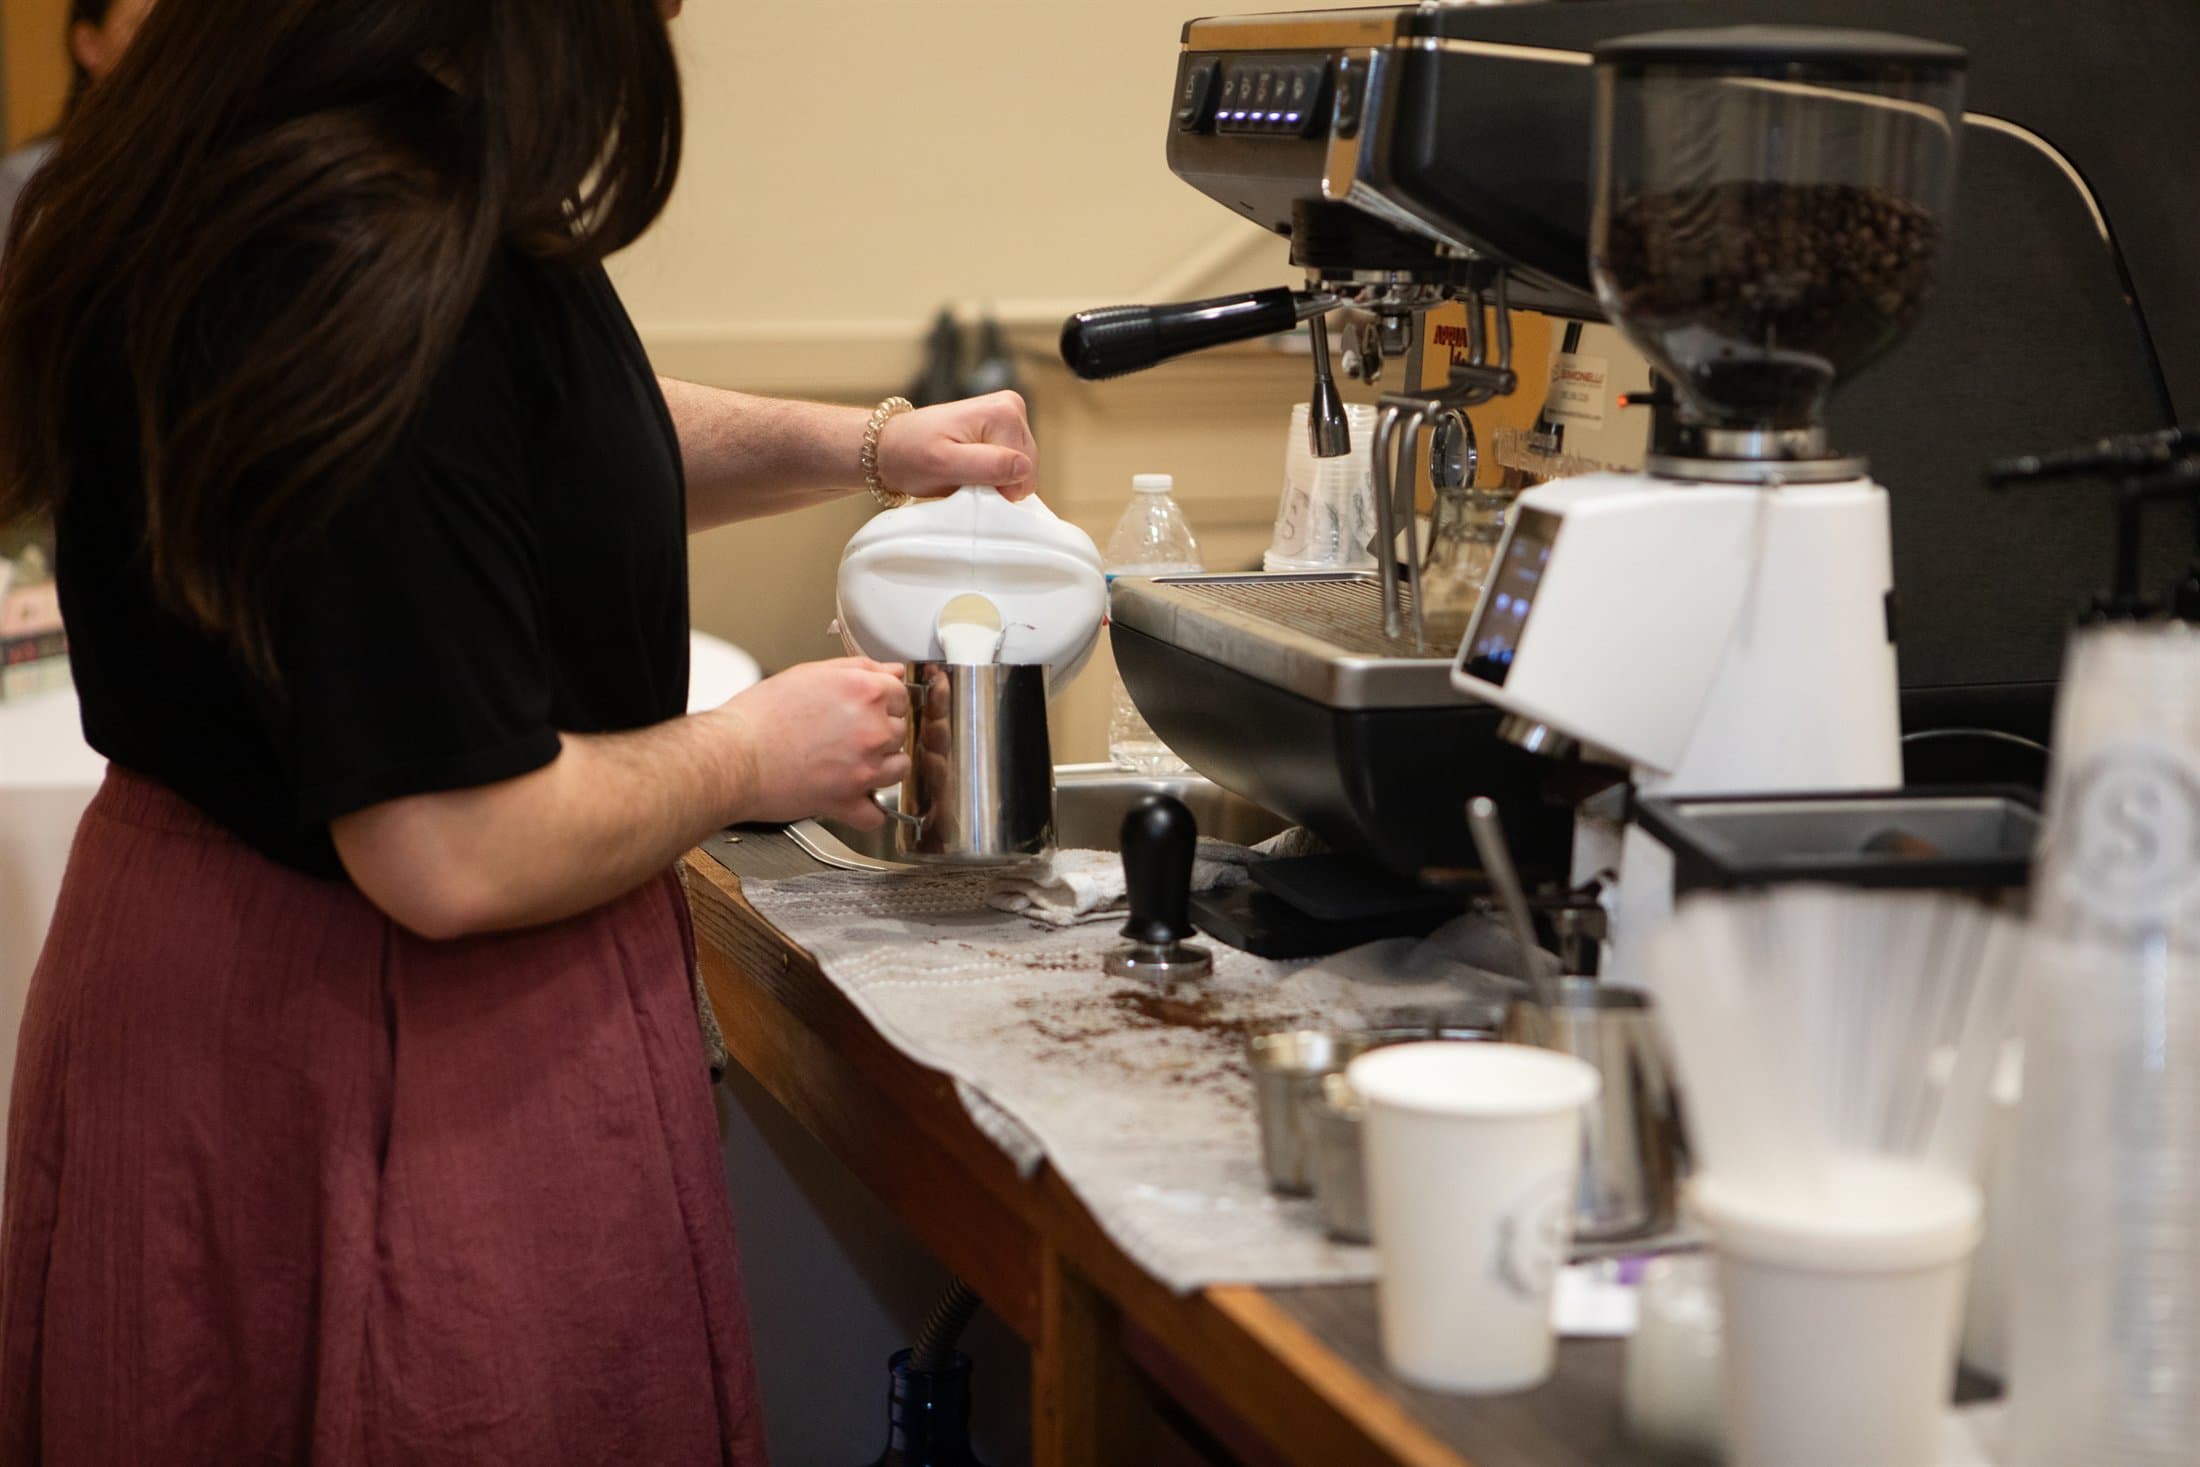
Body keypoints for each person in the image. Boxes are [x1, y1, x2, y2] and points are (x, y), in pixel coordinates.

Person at [0, 2, 1039, 1462]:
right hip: (367, 1051)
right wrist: (757, 747)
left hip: (220, 984)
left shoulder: (293, 152)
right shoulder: (360, 238)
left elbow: (538, 433)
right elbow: (450, 843)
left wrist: (863, 444)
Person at [0, 0, 155, 260]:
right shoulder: (28, 176)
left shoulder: (194, 160)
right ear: (89, 45)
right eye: (141, 29)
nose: (159, 51)